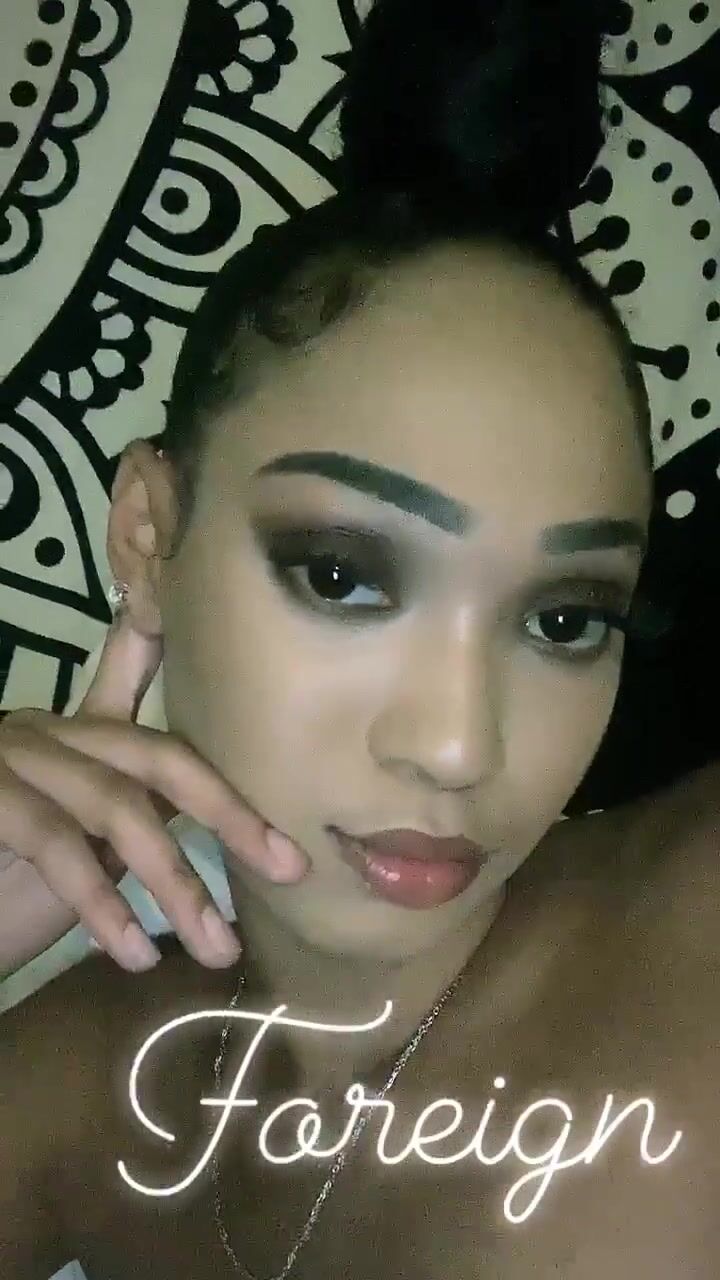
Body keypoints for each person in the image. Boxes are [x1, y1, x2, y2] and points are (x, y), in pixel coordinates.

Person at [1, 1, 719, 1276]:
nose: (455, 745)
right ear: (150, 534)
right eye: (342, 576)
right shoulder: (80, 1084)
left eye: (564, 618)